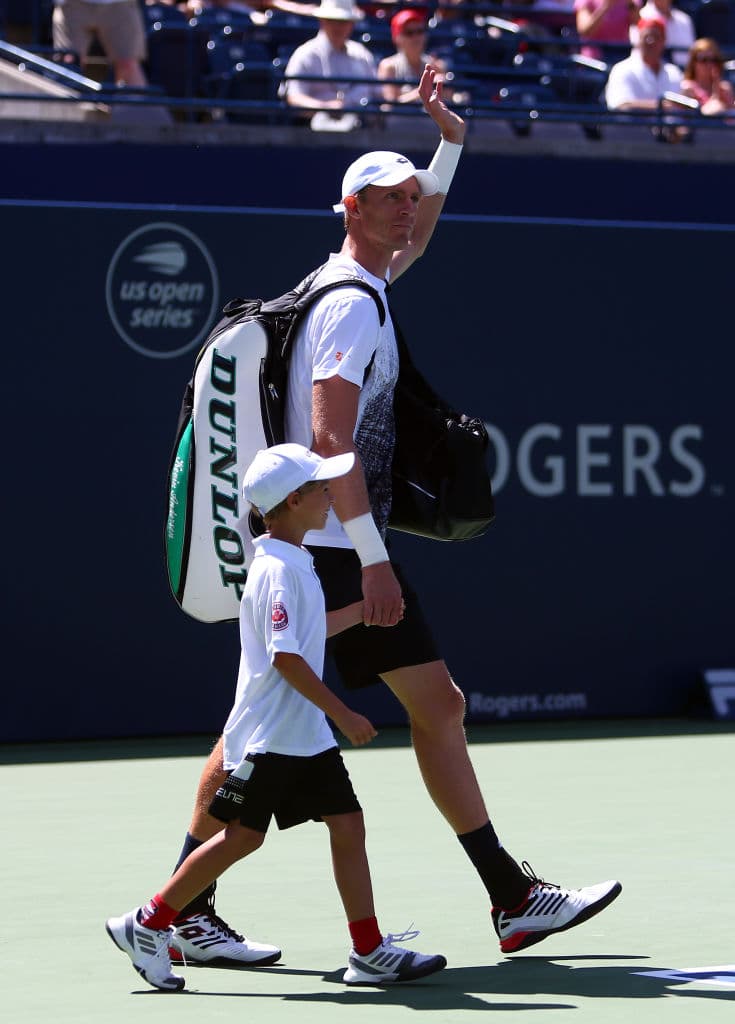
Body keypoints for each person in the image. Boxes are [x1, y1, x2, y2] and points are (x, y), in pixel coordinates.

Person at [166, 65, 622, 969]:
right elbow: (331, 441)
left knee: (423, 705)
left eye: (409, 197)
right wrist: (372, 558)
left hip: (335, 540)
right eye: (387, 199)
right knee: (259, 727)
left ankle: (509, 899)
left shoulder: (360, 281)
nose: (405, 210)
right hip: (334, 548)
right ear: (351, 209)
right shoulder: (348, 309)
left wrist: (448, 145)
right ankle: (180, 906)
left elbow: (422, 230)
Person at [106, 442, 447, 991]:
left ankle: (368, 951)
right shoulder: (278, 571)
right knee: (243, 838)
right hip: (275, 738)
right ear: (292, 501)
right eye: (320, 488)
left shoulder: (293, 560)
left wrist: (363, 614)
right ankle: (148, 923)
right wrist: (343, 713)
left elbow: (306, 634)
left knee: (347, 824)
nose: (330, 495)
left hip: (303, 736)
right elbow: (286, 658)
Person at [279, 0, 380, 124]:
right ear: (322, 21)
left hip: (361, 127)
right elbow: (294, 97)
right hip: (313, 129)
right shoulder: (305, 54)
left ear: (352, 24)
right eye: (332, 20)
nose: (337, 27)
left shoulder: (362, 54)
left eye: (343, 21)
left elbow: (378, 94)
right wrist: (325, 108)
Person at [52, 0, 148, 87]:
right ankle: (68, 100)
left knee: (128, 65)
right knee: (69, 62)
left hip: (120, 4)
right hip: (72, 5)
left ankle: (133, 101)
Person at [605, 14, 683, 109]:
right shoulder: (621, 69)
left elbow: (679, 109)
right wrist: (662, 107)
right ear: (638, 39)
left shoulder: (673, 72)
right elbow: (621, 106)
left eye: (656, 37)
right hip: (633, 120)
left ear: (664, 41)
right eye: (646, 36)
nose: (650, 41)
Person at [378, 8, 447, 106]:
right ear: (396, 38)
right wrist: (424, 91)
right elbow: (389, 106)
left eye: (420, 31)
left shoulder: (436, 66)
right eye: (409, 33)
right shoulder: (389, 66)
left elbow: (446, 102)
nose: (416, 37)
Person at [680, 36, 734, 114]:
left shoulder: (724, 88)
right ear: (693, 63)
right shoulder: (687, 88)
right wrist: (716, 97)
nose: (709, 64)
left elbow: (731, 116)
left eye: (713, 60)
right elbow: (703, 115)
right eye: (703, 60)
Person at [631, 0, 695, 66]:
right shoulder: (640, 17)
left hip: (682, 70)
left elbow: (691, 53)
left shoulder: (684, 20)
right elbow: (637, 50)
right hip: (648, 69)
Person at [574, 0, 640, 62]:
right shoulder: (586, 1)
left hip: (622, 55)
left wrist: (631, 5)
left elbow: (639, 24)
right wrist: (606, 6)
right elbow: (585, 31)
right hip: (594, 61)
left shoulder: (631, 2)